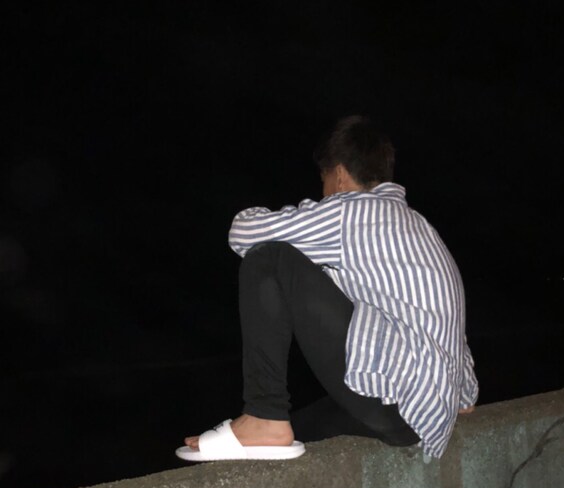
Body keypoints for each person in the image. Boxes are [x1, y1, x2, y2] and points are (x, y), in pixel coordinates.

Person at [175, 115, 478, 462]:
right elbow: (445, 315)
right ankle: (269, 429)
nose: (323, 191)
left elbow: (244, 233)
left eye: (323, 180)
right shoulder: (421, 227)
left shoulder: (351, 213)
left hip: (396, 400)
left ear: (339, 174)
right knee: (300, 430)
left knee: (269, 257)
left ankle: (263, 414)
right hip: (420, 415)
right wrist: (463, 394)